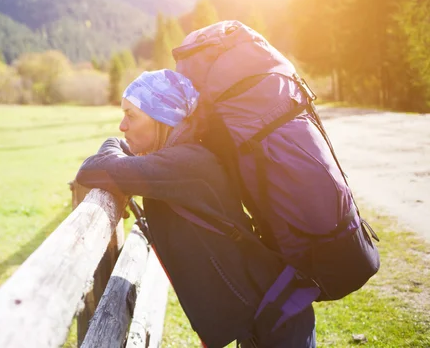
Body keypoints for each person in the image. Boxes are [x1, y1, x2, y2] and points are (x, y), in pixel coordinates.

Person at [75, 69, 316, 348]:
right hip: (265, 314)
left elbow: (91, 170)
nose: (122, 126)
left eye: (131, 115)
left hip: (277, 319)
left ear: (161, 117)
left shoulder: (185, 163)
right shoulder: (182, 158)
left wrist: (113, 148)